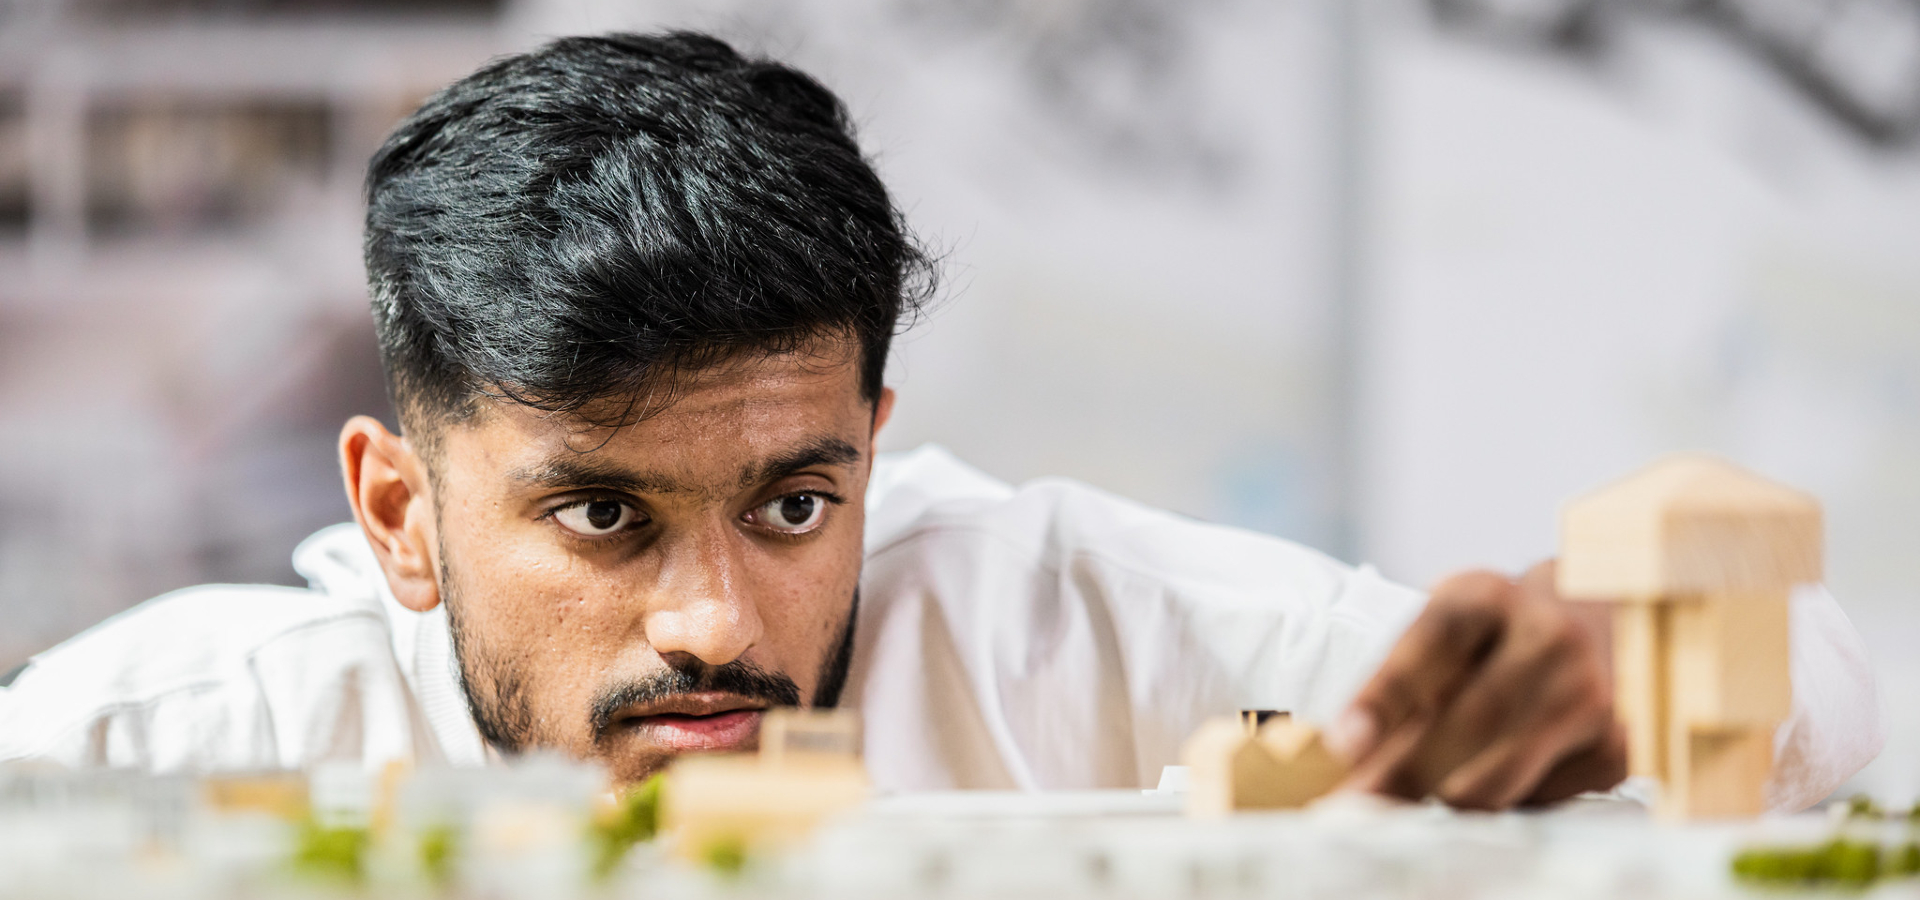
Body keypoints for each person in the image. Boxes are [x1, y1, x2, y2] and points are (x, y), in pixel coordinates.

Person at [0, 32, 1881, 811]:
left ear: (874, 442)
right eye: (601, 519)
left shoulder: (1063, 630)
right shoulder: (143, 760)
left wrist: (1629, 651)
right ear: (401, 510)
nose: (719, 627)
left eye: (795, 505)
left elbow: (1823, 713)